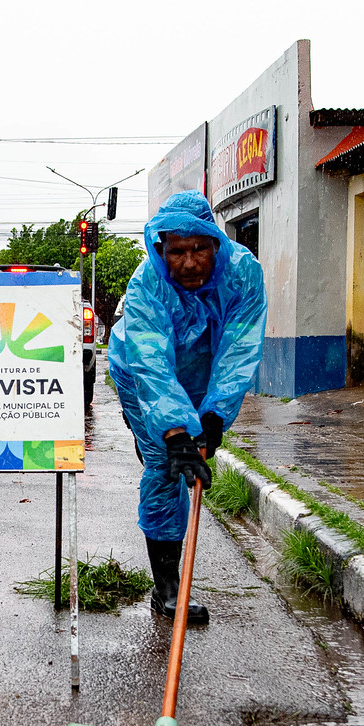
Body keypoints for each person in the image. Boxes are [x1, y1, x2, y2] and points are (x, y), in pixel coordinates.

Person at [107, 191, 267, 625]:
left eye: (199, 248)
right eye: (177, 251)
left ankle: (164, 435)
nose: (190, 262)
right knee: (164, 463)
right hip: (139, 372)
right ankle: (167, 591)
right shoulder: (147, 285)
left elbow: (239, 351)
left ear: (216, 243)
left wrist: (215, 417)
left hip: (199, 373)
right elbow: (151, 362)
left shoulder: (243, 275)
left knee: (190, 447)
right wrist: (176, 433)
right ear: (161, 250)